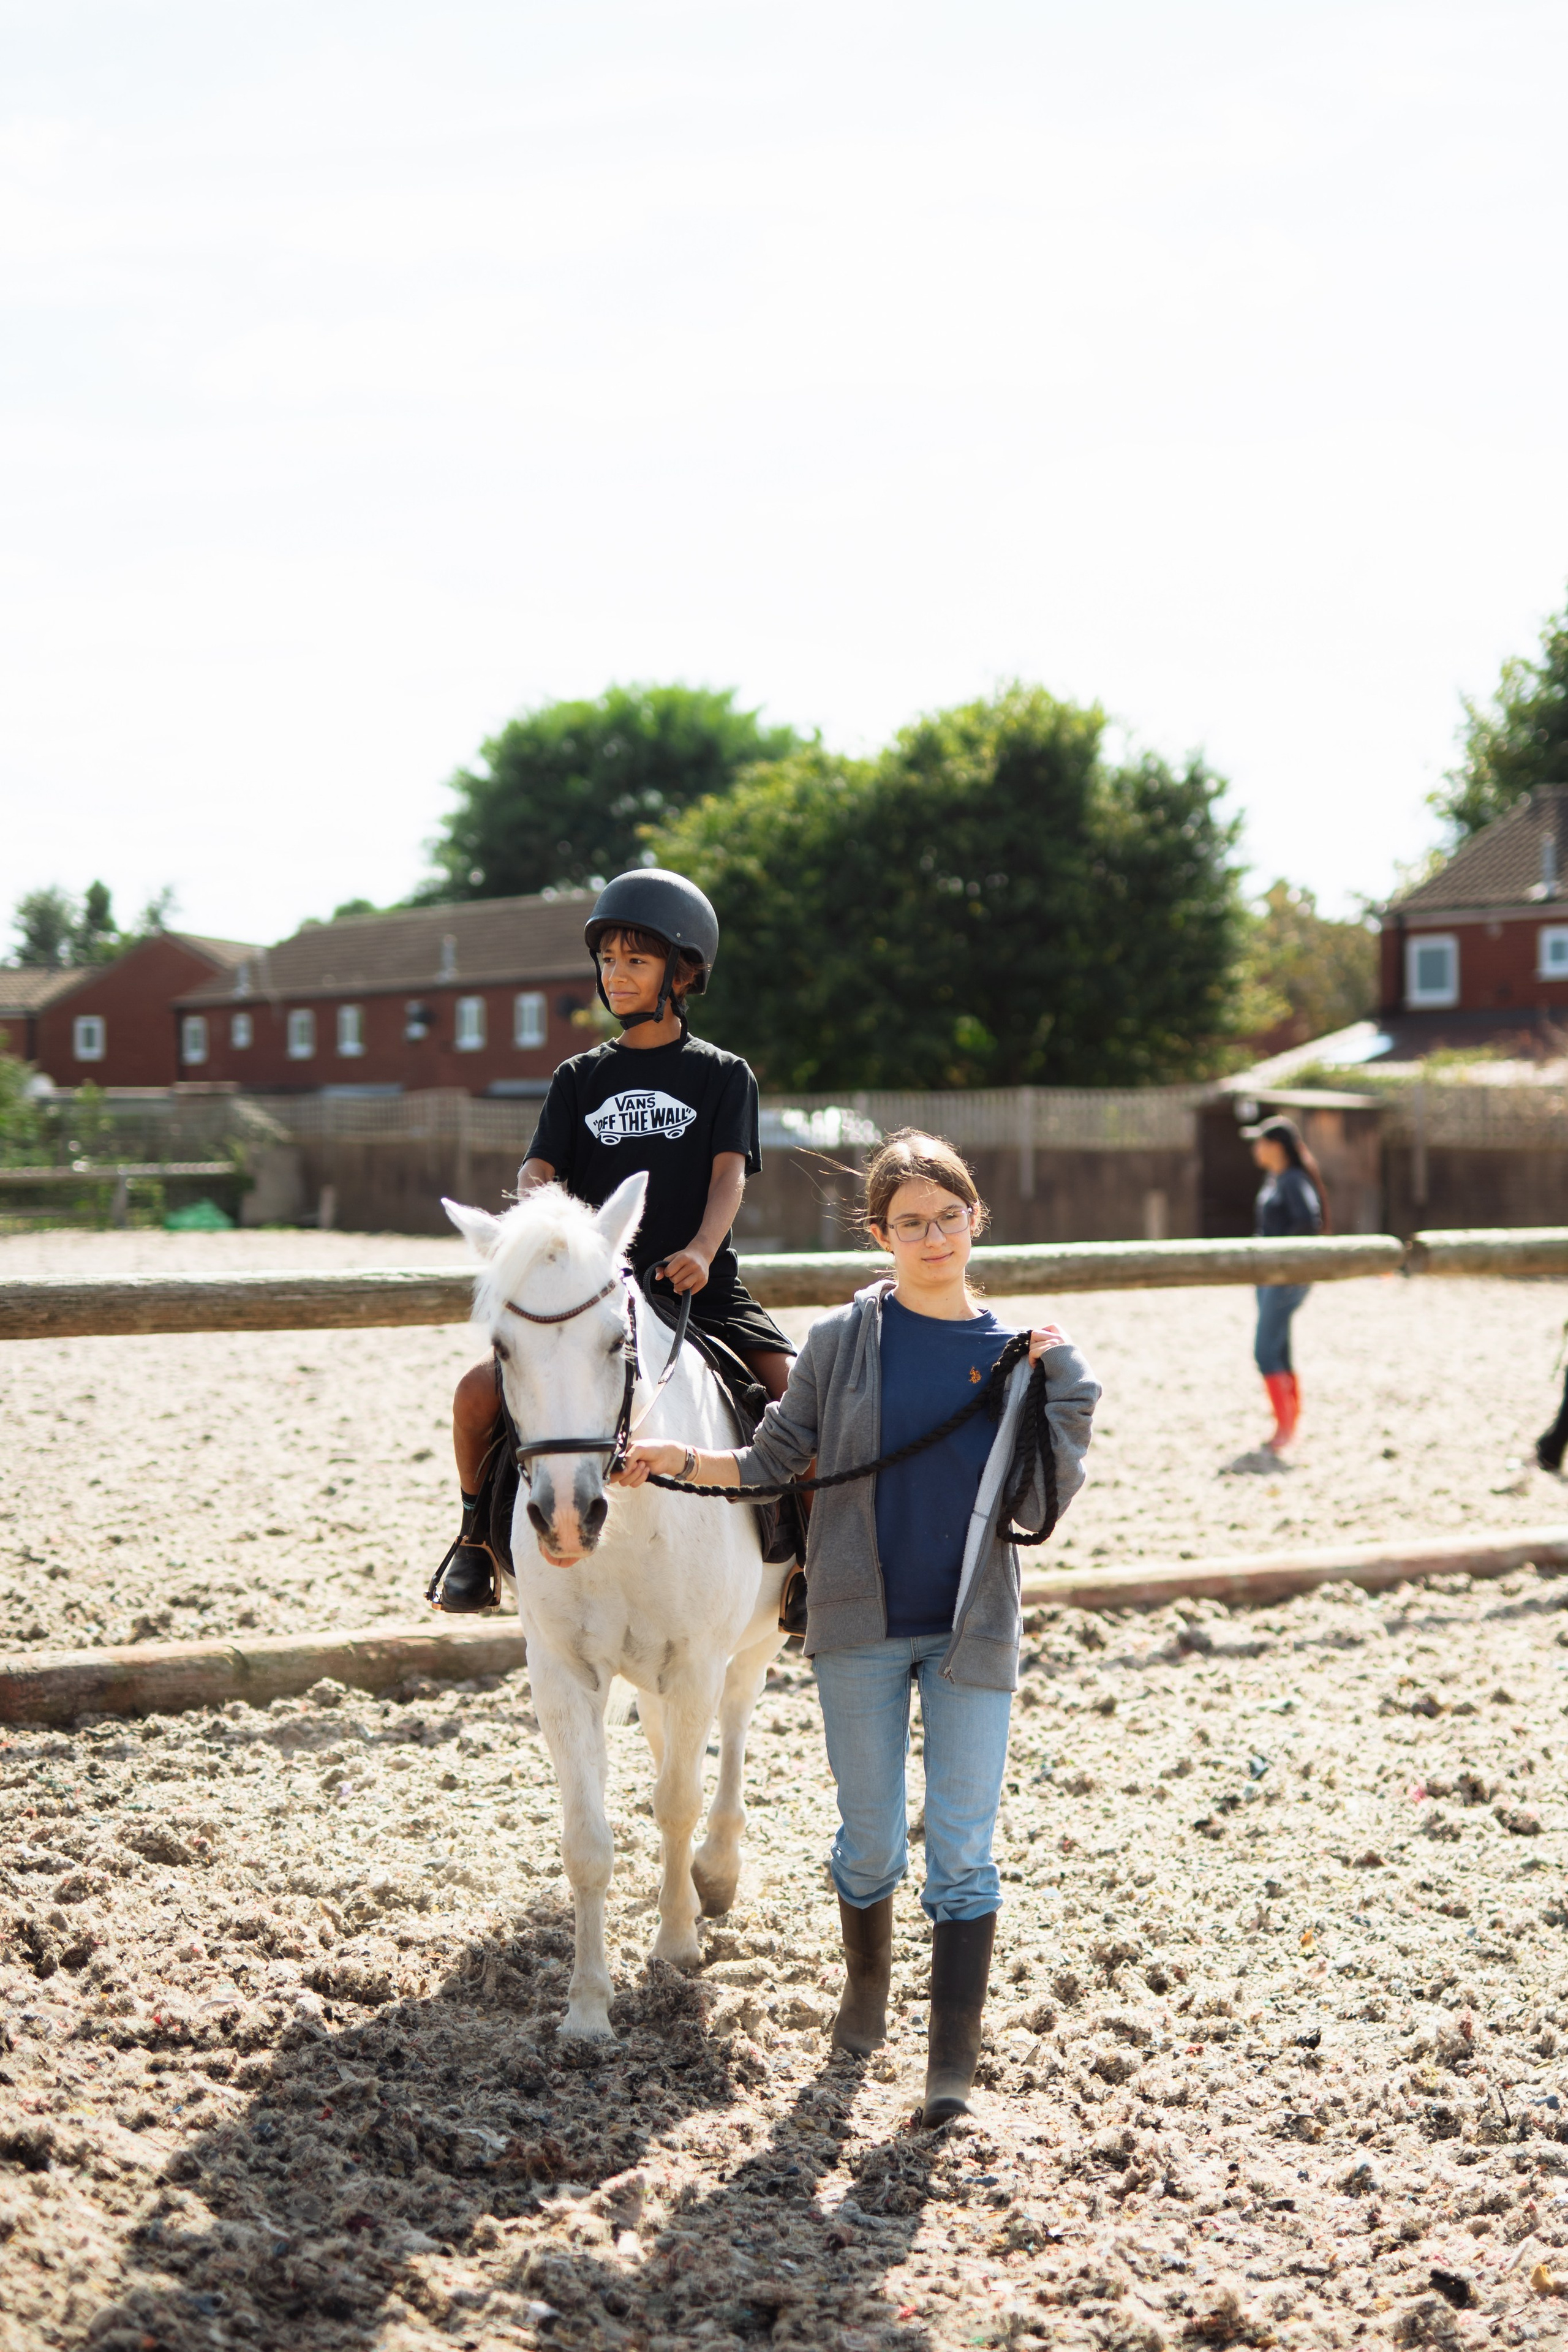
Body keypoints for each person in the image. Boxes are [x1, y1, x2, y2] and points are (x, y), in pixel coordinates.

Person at [616, 1130, 1100, 2128]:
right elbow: (764, 1464)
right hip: (858, 1627)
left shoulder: (1015, 1353)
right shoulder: (841, 1342)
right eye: (911, 1222)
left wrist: (1072, 1389)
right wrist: (666, 1455)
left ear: (977, 1220)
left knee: (964, 1855)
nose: (933, 1236)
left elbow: (1044, 1501)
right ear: (880, 1233)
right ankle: (867, 1998)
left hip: (974, 1631)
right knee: (871, 1843)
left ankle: (950, 2068)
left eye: (949, 1217)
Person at [432, 868, 796, 1611]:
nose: (617, 975)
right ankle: (472, 1542)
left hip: (700, 1291)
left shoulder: (724, 1075)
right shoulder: (578, 1077)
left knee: (794, 1398)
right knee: (476, 1395)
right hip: (591, 1298)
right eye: (608, 961)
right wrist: (540, 1231)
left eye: (636, 960)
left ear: (680, 971)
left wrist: (699, 1249)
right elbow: (538, 1167)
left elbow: (730, 1176)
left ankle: (807, 1567)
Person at [1242, 1112, 1328, 1455]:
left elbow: (1309, 1221)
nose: (1256, 1149)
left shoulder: (1292, 1180)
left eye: (1260, 1142)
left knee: (1265, 1349)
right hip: (1270, 1274)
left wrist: (1281, 1256)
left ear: (1275, 1145)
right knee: (1278, 1347)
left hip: (1285, 1276)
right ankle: (1288, 1425)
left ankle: (1286, 1428)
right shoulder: (1275, 1179)